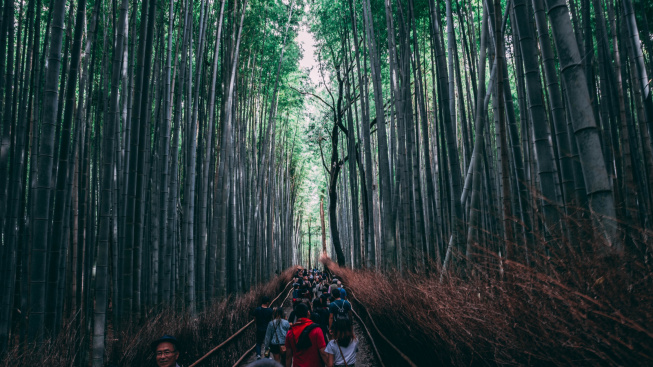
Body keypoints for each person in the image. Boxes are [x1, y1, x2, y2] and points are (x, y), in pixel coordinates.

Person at [284, 303, 328, 367]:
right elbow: (323, 353)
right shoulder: (316, 330)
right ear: (308, 313)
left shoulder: (290, 332)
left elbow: (288, 356)